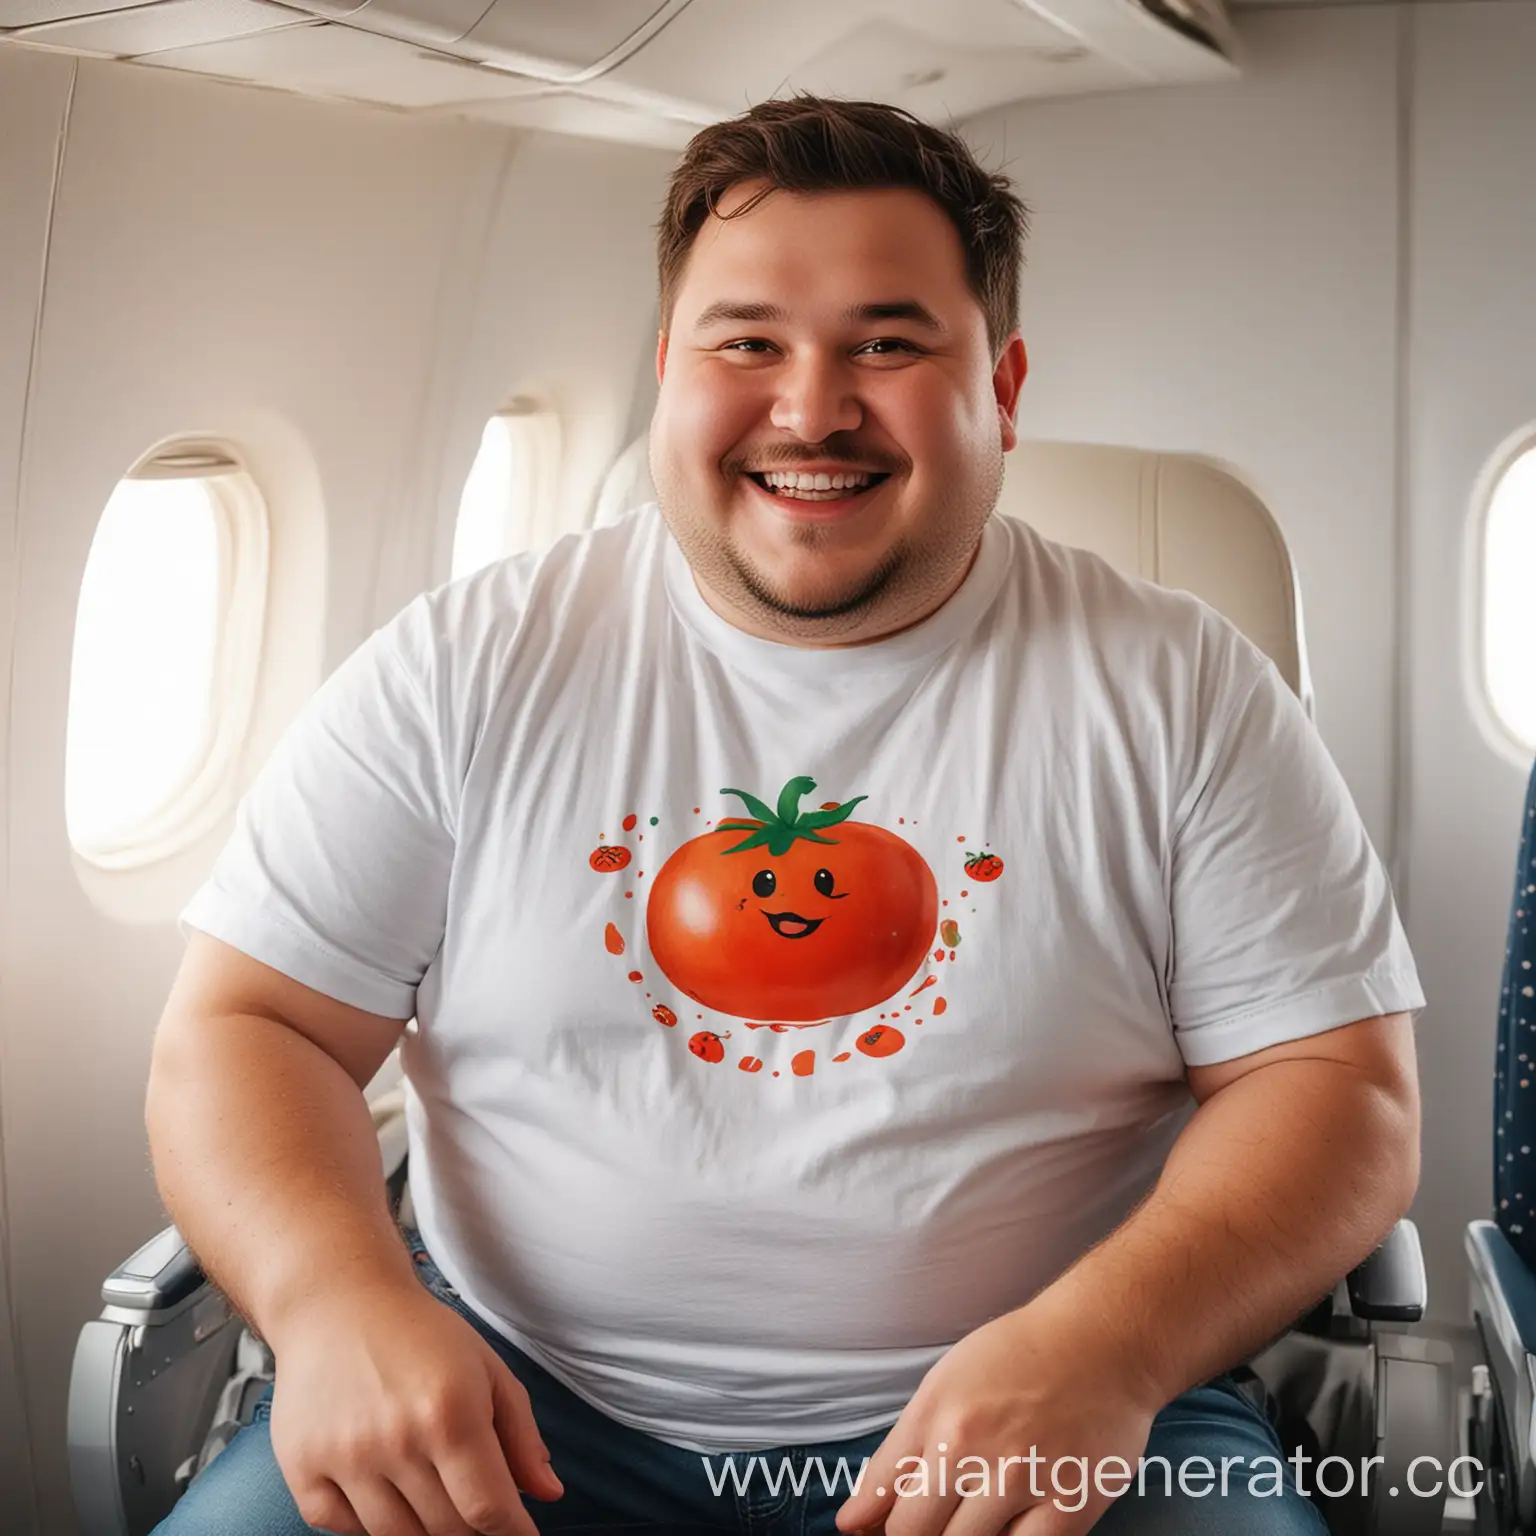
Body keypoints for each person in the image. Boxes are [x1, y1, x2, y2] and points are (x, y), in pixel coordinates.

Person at [147, 95, 1424, 1536]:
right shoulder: (469, 664)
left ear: (1000, 389)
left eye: (887, 344)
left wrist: (1106, 1351)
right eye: (746, 343)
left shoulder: (1180, 688)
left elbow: (1342, 1096)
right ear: (667, 376)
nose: (810, 408)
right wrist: (335, 1307)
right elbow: (248, 1027)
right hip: (508, 1405)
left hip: (1058, 1394)